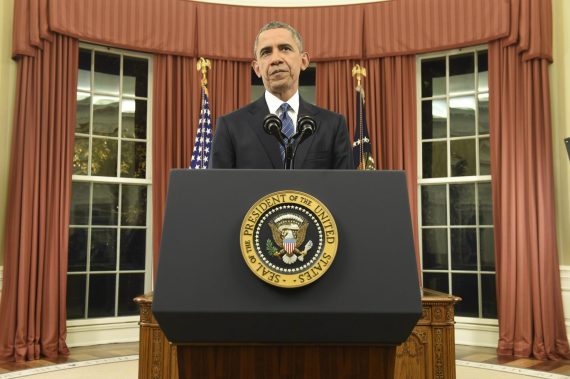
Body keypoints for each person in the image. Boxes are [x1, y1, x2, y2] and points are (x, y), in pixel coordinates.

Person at [209, 21, 353, 169]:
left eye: (285, 49)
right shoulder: (231, 126)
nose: (275, 59)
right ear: (257, 68)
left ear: (304, 61)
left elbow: (345, 189)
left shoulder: (333, 125)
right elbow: (218, 189)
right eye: (266, 52)